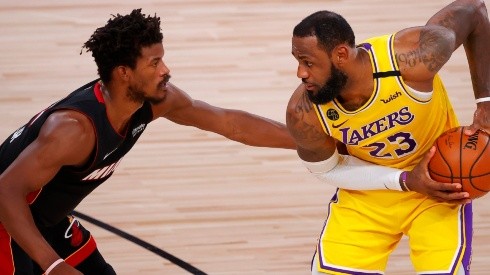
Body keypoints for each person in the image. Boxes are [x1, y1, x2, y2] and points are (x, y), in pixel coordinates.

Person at [0, 9, 296, 275]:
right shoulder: (74, 130)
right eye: (154, 63)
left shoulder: (155, 101)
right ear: (124, 73)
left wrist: (305, 141)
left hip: (44, 220)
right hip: (7, 219)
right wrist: (53, 266)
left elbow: (232, 124)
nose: (165, 69)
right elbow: (6, 190)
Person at [286, 0, 490, 274]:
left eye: (308, 62)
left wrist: (486, 102)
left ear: (341, 56)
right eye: (298, 61)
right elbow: (328, 169)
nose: (300, 72)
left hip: (439, 186)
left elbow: (474, 10)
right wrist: (404, 181)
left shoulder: (412, 58)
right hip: (370, 193)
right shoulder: (304, 112)